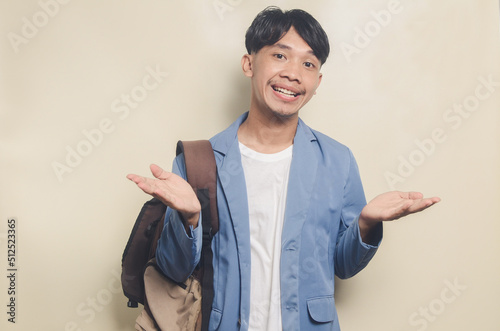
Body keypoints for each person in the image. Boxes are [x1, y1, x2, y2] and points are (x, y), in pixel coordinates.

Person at [127, 6, 440, 331]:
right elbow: (172, 269)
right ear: (249, 64)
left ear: (317, 81)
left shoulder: (338, 160)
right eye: (280, 55)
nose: (293, 73)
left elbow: (344, 266)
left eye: (308, 63)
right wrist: (189, 219)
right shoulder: (199, 161)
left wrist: (365, 224)